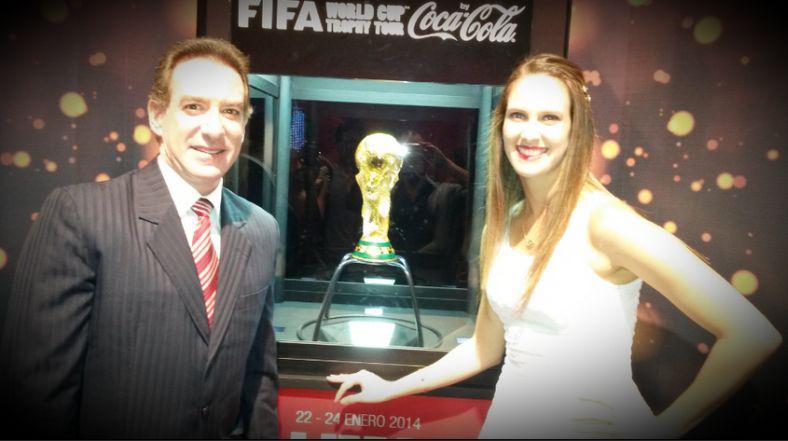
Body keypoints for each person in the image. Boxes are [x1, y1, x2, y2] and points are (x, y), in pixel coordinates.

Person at [326, 53, 782, 438]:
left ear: (574, 128)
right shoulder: (502, 224)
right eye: (519, 116)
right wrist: (391, 386)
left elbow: (750, 335)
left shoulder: (606, 224)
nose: (530, 134)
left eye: (549, 118)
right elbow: (485, 349)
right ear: (501, 123)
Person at [0, 37, 279, 438]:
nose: (214, 128)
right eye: (194, 106)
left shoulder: (261, 228)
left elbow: (259, 379)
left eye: (230, 111)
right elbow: (39, 392)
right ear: (156, 115)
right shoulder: (83, 216)